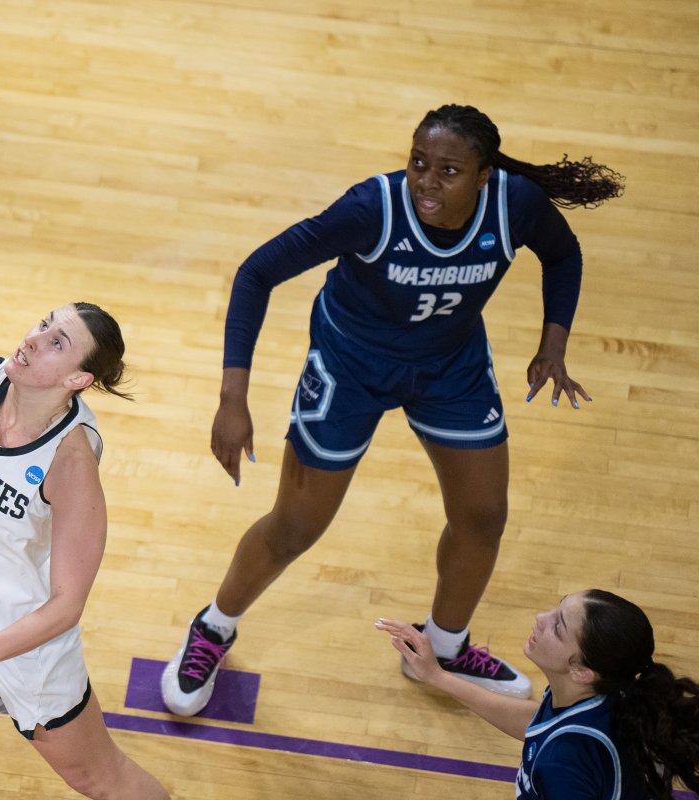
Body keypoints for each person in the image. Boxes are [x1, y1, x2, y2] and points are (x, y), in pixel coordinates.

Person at [161, 103, 626, 716]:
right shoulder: (371, 209)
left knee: (484, 516)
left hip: (449, 365)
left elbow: (564, 256)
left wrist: (553, 344)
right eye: (417, 163)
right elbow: (257, 273)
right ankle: (213, 628)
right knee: (297, 525)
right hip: (351, 366)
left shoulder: (516, 205)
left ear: (484, 176)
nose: (427, 182)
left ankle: (443, 645)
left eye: (449, 170)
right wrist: (232, 399)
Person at [0, 155, 169, 800]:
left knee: (99, 780)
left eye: (58, 342)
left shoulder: (71, 465)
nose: (35, 338)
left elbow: (67, 605)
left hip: (26, 633)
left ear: (78, 380)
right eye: (45, 323)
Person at [377, 591, 699, 799]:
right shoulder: (607, 696)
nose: (539, 619)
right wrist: (436, 676)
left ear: (581, 671)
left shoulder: (563, 765)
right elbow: (536, 724)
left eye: (557, 628)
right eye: (556, 608)